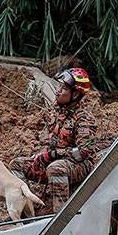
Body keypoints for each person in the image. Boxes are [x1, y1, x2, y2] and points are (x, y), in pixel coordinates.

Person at [22, 67, 98, 211]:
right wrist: (40, 155)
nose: (58, 91)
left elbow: (83, 152)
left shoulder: (84, 119)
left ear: (75, 94)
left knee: (55, 168)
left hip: (79, 166)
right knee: (17, 165)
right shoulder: (55, 111)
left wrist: (52, 155)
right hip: (53, 160)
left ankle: (59, 215)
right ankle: (26, 211)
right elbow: (49, 140)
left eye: (63, 88)